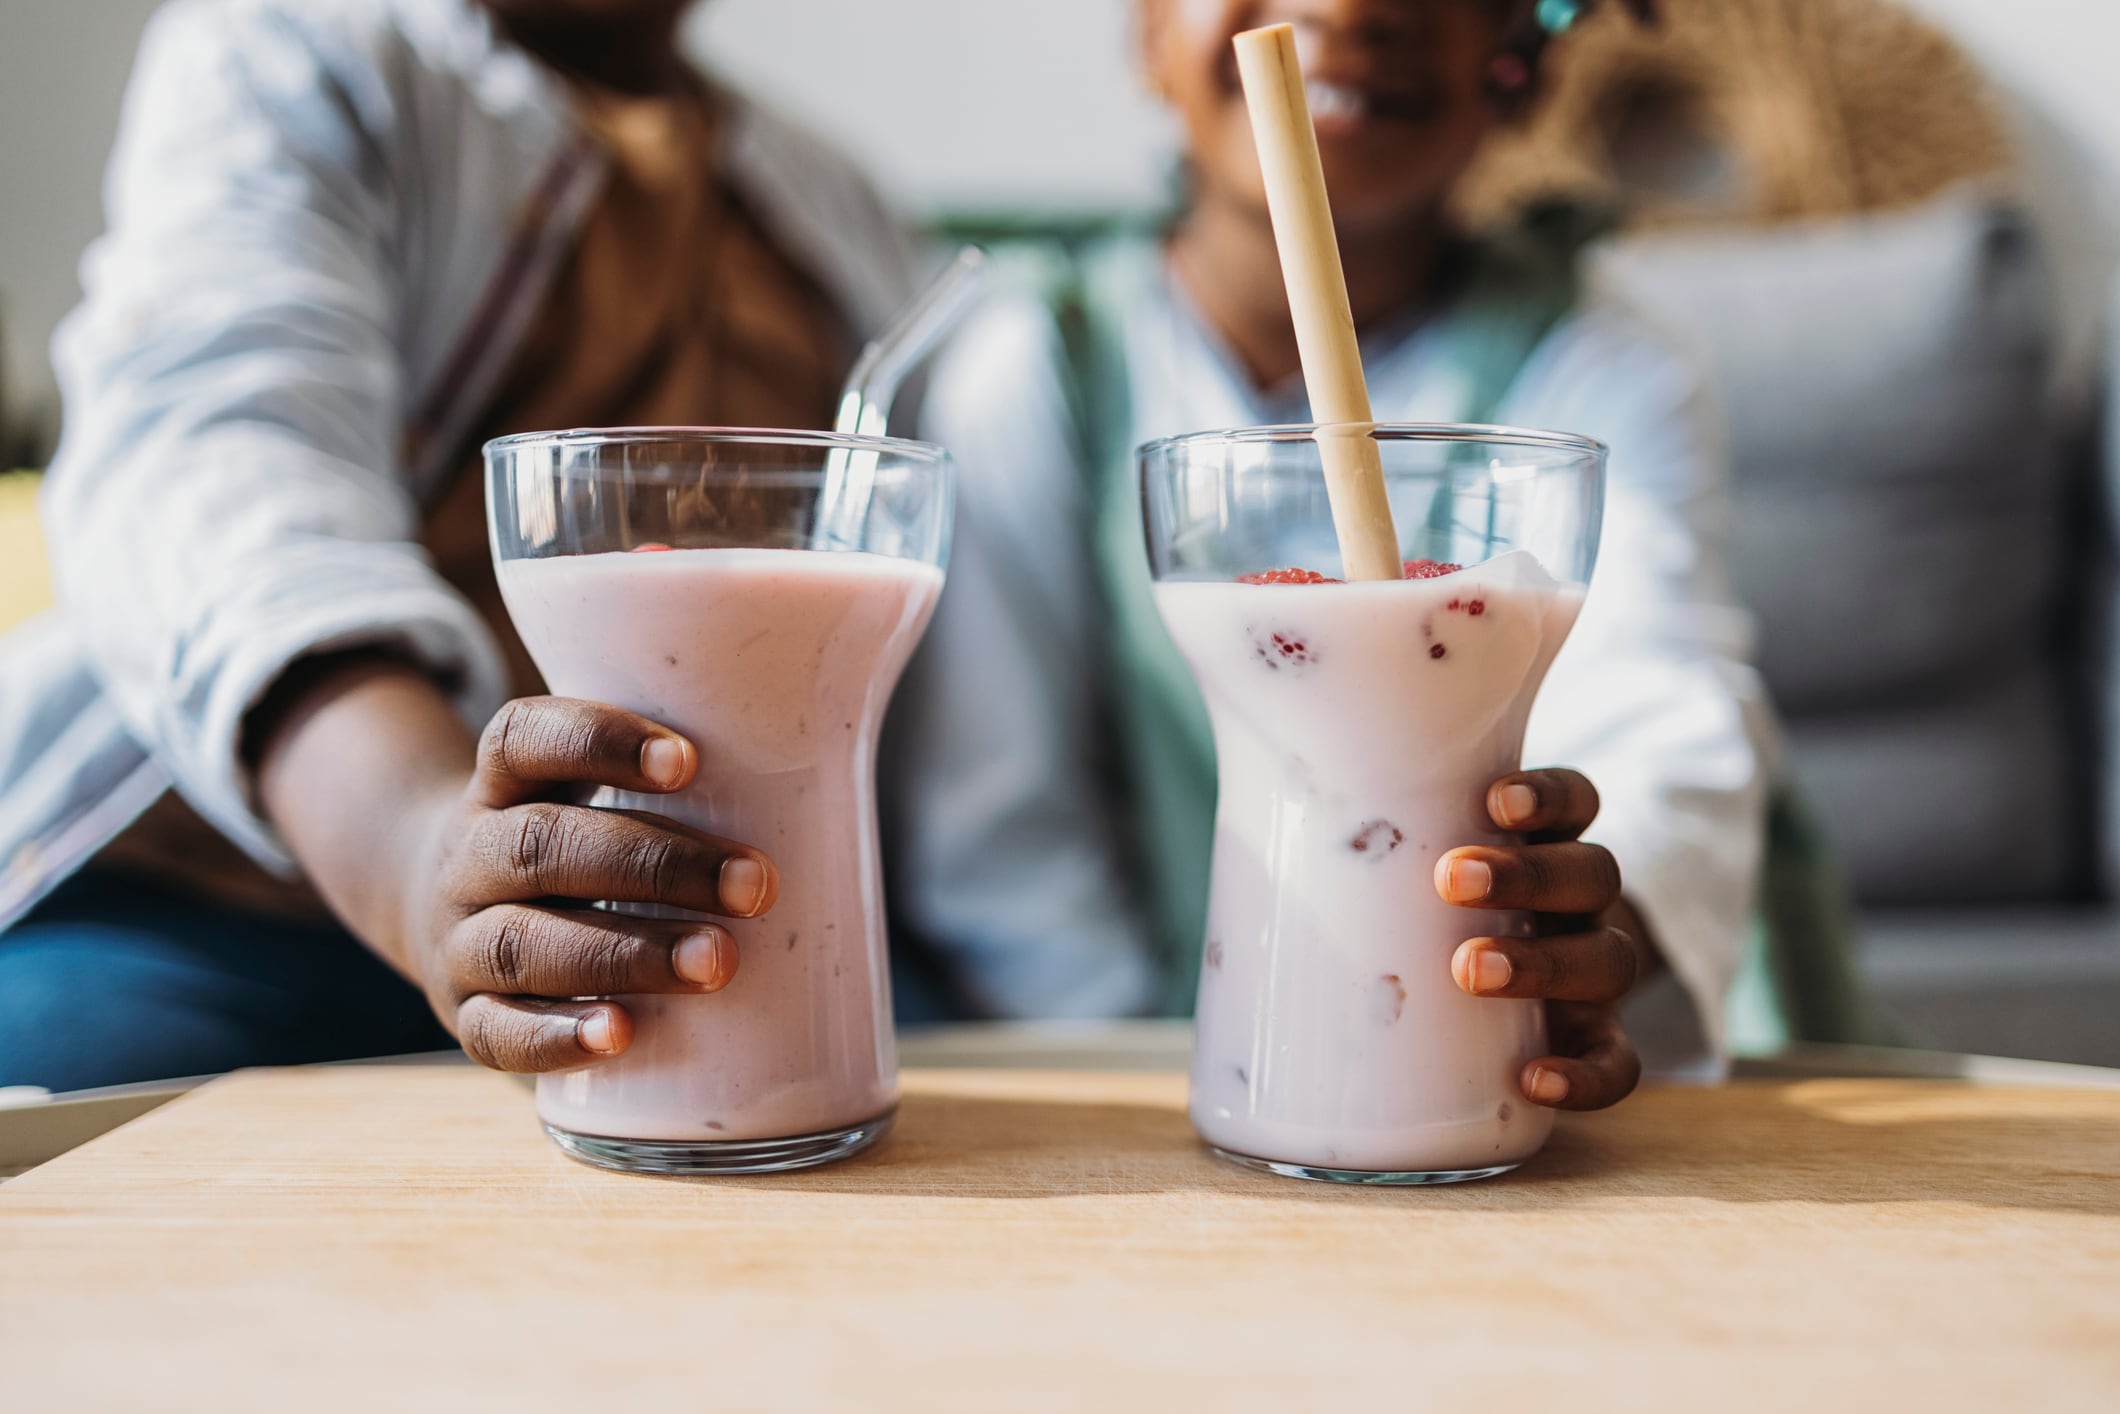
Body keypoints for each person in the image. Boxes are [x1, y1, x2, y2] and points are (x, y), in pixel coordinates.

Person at [887, 0, 1850, 1110]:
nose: (1345, 9)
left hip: (1487, 1047)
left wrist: (1588, 926)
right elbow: (1002, 836)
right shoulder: (1031, 367)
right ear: (1149, 37)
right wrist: (1198, 1060)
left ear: (1518, 70)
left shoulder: (1600, 367)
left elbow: (1656, 720)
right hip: (1166, 1060)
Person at [0, 0, 935, 1087]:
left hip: (696, 929)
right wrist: (414, 850)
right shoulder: (296, 55)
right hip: (221, 917)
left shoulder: (829, 209)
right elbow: (216, 470)